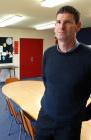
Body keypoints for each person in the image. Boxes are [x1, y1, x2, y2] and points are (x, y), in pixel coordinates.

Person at [35, 5, 91, 140]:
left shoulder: (88, 56)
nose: (61, 26)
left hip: (69, 127)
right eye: (58, 22)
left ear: (78, 26)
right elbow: (47, 82)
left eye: (67, 22)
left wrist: (83, 115)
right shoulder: (48, 54)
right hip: (44, 119)